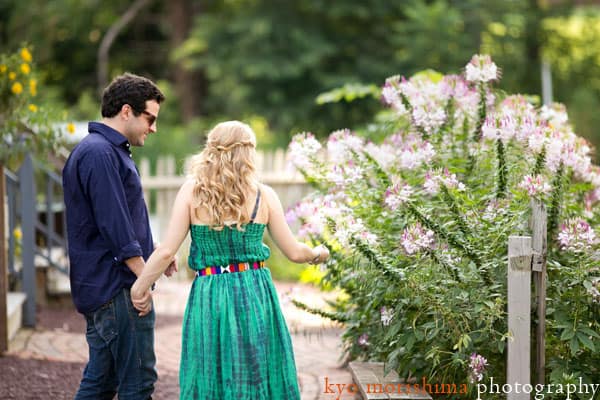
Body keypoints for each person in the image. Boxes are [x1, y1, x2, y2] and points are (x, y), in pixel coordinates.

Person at [131, 120, 329, 399]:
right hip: (254, 291)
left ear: (211, 150)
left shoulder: (192, 191)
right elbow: (295, 252)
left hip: (209, 292)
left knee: (210, 368)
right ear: (249, 153)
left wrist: (140, 287)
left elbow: (166, 251)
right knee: (256, 368)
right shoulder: (264, 195)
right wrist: (319, 253)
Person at [62, 73, 175, 399]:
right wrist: (144, 276)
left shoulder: (101, 151)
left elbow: (116, 218)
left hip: (107, 288)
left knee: (101, 382)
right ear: (127, 111)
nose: (153, 128)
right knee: (137, 384)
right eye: (149, 118)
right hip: (118, 289)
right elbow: (114, 226)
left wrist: (153, 252)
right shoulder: (100, 154)